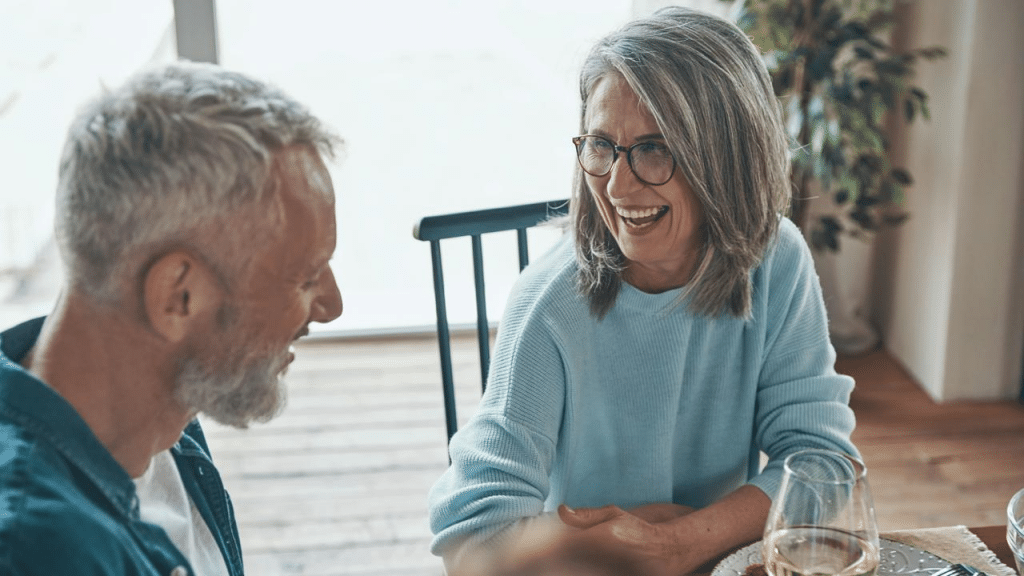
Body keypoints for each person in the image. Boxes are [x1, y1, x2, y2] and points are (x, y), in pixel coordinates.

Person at [427, 6, 860, 575]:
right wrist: (625, 552)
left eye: (655, 148)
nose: (616, 183)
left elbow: (821, 462)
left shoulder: (776, 260)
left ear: (726, 155)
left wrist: (682, 540)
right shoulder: (548, 307)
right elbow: (473, 534)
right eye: (601, 145)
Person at [0, 61, 343, 575]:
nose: (332, 307)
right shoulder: (39, 551)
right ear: (179, 296)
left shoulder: (166, 414)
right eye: (306, 278)